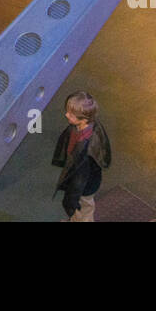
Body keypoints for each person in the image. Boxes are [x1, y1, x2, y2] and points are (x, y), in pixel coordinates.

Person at [51, 90, 110, 222]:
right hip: (81, 179)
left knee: (83, 208)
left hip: (85, 186)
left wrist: (71, 198)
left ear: (83, 119)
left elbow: (80, 180)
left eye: (71, 115)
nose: (66, 115)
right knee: (80, 208)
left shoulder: (88, 151)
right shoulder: (84, 126)